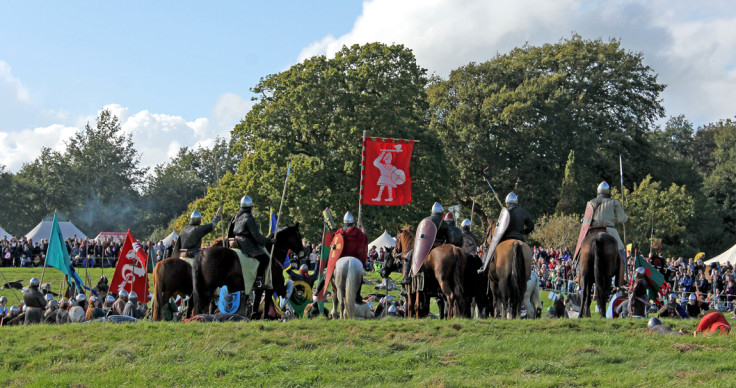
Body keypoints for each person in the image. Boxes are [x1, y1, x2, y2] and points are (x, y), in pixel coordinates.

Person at [228, 195, 275, 289]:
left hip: (234, 241)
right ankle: (258, 280)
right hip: (245, 242)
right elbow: (256, 236)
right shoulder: (249, 217)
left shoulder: (236, 216)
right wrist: (268, 240)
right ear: (250, 207)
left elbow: (230, 231)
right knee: (265, 258)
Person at [585, 181, 628, 277]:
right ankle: (622, 276)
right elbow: (622, 219)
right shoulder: (614, 202)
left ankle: (578, 274)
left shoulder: (590, 203)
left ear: (598, 192)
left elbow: (586, 221)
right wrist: (625, 217)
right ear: (608, 192)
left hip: (592, 231)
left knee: (581, 251)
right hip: (609, 231)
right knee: (622, 253)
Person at [400, 202, 448, 285]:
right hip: (441, 247)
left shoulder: (427, 220)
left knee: (410, 254)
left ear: (433, 211)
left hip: (428, 247)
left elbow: (422, 236)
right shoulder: (445, 223)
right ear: (441, 212)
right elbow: (447, 238)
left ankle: (407, 277)